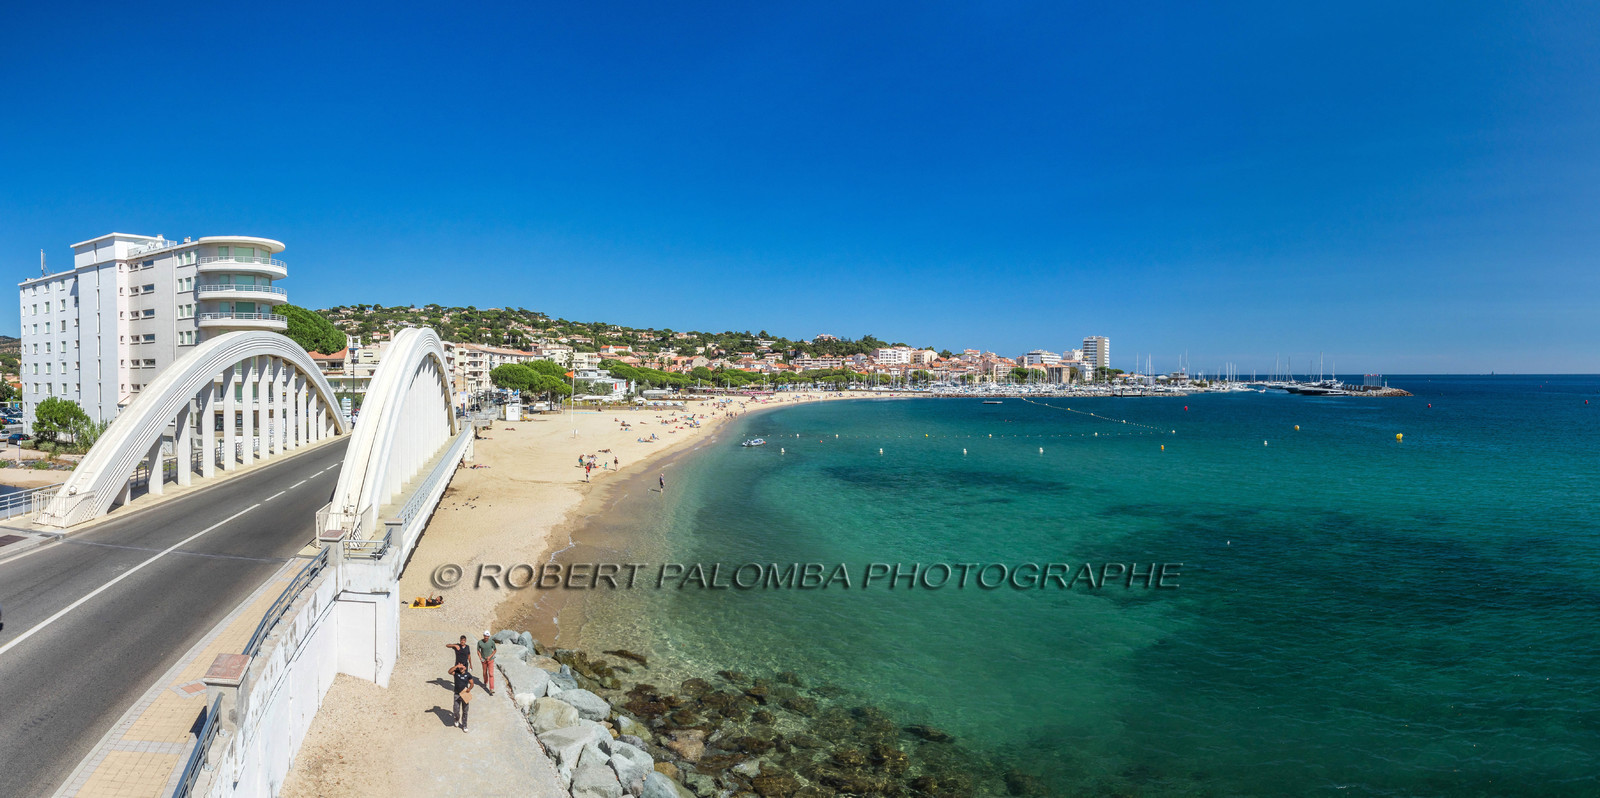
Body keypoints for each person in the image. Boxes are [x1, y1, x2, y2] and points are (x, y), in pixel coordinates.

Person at [450, 662, 473, 732]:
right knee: (456, 710)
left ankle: (464, 725)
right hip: (457, 694)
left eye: (462, 667)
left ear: (465, 668)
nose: (461, 668)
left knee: (465, 711)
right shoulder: (456, 673)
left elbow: (472, 683)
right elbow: (449, 671)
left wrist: (469, 689)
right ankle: (456, 719)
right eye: (460, 667)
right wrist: (456, 666)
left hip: (465, 694)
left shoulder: (468, 675)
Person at [477, 630, 497, 695]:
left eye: (487, 636)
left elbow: (495, 650)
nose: (486, 637)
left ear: (489, 636)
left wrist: (490, 656)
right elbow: (478, 650)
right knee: (484, 673)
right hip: (484, 660)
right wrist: (480, 658)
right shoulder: (480, 642)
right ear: (483, 636)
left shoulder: (492, 642)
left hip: (490, 660)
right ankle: (485, 683)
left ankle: (491, 689)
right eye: (485, 636)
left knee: (491, 674)